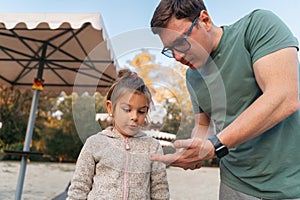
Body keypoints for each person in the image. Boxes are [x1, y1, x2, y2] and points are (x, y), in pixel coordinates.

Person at [150, 0, 300, 199]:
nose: (177, 56)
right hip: (234, 185)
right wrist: (194, 150)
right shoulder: (192, 77)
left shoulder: (257, 26)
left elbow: (284, 96)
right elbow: (203, 126)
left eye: (180, 42)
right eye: (169, 50)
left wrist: (215, 146)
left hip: (290, 184)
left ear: (205, 20)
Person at [67, 71, 169, 199]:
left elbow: (160, 191)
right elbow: (79, 187)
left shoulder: (153, 147)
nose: (134, 117)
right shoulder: (95, 143)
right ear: (110, 108)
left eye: (141, 111)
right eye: (127, 109)